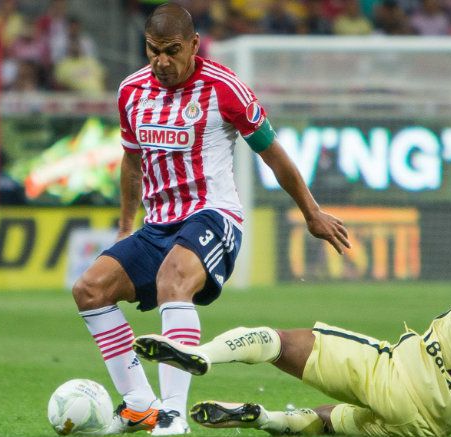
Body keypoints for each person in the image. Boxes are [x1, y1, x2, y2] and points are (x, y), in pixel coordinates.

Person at [133, 99, 451, 437]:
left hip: (406, 372)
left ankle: (202, 356)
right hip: (437, 423)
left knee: (280, 341)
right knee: (339, 422)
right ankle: (262, 417)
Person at [71, 3, 350, 435]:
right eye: (152, 51)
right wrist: (126, 226)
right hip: (157, 226)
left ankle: (173, 415)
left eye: (172, 50)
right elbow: (131, 161)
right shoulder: (131, 91)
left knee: (172, 279)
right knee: (89, 289)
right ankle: (140, 405)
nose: (162, 61)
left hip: (213, 216)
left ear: (194, 45)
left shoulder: (224, 88)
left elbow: (272, 153)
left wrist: (311, 213)